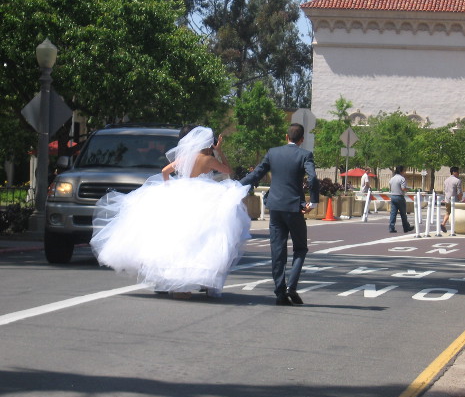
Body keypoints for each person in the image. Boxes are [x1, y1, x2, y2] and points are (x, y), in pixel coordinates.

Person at [90, 126, 251, 299]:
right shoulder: (208, 159)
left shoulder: (186, 158)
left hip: (181, 194)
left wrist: (168, 188)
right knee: (203, 240)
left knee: (175, 238)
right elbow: (228, 171)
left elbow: (165, 171)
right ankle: (203, 281)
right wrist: (219, 152)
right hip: (203, 197)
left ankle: (174, 283)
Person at [240, 123, 320, 306]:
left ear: (286, 137)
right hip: (294, 208)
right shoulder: (305, 155)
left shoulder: (273, 152)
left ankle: (279, 292)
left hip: (275, 207)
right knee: (300, 248)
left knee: (277, 251)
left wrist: (238, 185)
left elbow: (257, 173)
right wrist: (313, 202)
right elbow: (313, 178)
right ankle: (291, 286)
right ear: (301, 140)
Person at [388, 165, 414, 234]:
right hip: (399, 196)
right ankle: (406, 227)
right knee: (403, 213)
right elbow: (403, 188)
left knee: (393, 213)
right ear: (401, 171)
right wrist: (407, 189)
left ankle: (391, 227)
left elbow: (390, 186)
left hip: (393, 196)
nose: (404, 172)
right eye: (404, 170)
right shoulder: (402, 179)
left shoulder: (392, 178)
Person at [441, 166, 463, 233]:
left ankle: (443, 223)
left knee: (448, 212)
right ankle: (456, 228)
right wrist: (460, 199)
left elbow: (444, 191)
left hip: (447, 199)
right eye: (457, 171)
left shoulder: (446, 180)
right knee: (456, 214)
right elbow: (459, 192)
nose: (458, 173)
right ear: (454, 172)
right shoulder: (457, 181)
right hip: (455, 200)